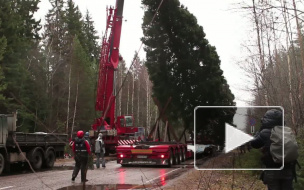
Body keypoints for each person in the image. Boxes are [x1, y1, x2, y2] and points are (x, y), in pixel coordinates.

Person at [250, 109, 295, 190]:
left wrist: (259, 131)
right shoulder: (287, 131)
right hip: (288, 169)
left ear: (266, 119)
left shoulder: (265, 132)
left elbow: (254, 144)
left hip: (272, 170)